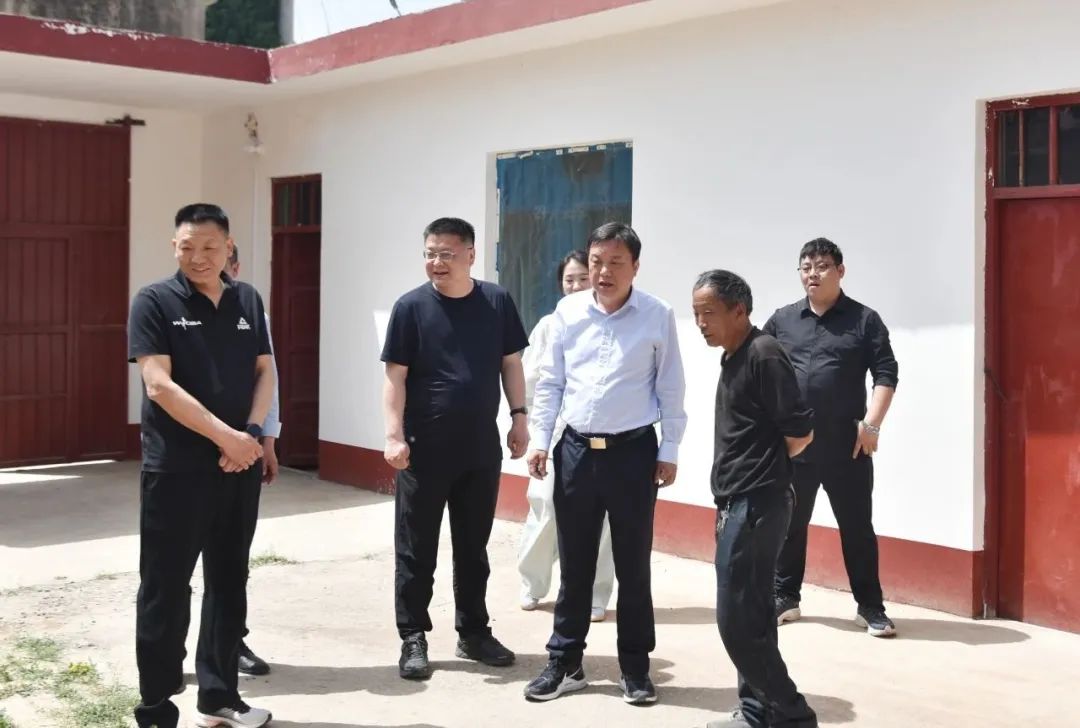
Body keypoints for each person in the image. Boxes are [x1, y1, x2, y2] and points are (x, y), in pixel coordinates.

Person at [523, 222, 686, 705]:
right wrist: (540, 440)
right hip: (575, 451)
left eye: (616, 262)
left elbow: (671, 387)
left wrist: (669, 450)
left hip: (634, 455)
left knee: (633, 566)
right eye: (596, 262)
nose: (604, 272)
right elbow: (551, 383)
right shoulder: (568, 312)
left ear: (635, 266)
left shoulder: (657, 315)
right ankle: (565, 662)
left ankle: (634, 668)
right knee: (575, 564)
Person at [128, 203, 274, 728]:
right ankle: (156, 705)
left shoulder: (247, 299)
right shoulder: (153, 301)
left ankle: (219, 698)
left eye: (209, 247)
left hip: (238, 467)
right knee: (166, 587)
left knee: (229, 581)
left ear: (228, 247)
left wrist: (251, 435)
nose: (198, 257)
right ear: (174, 247)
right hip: (176, 471)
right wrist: (227, 437)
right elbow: (158, 384)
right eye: (187, 247)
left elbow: (265, 370)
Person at [382, 216, 530, 681]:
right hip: (422, 450)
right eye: (430, 253)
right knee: (416, 549)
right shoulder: (410, 308)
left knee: (473, 548)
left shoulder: (496, 302)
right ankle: (413, 636)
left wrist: (519, 416)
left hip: (479, 448)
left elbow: (511, 363)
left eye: (446, 254)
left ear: (470, 254)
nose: (437, 262)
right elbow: (395, 377)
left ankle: (474, 632)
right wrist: (392, 435)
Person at [692, 269, 818, 728]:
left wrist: (764, 470)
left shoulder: (764, 353)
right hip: (736, 503)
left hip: (756, 504)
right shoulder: (734, 355)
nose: (701, 323)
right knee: (755, 616)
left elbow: (800, 432)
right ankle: (756, 712)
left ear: (739, 311)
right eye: (696, 314)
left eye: (709, 313)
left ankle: (792, 715)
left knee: (736, 622)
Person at [764, 238, 899, 637]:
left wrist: (871, 425)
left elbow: (886, 372)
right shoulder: (783, 320)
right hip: (795, 446)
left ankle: (870, 607)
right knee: (790, 525)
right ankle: (785, 597)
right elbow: (758, 367)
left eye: (821, 266)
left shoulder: (864, 320)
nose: (813, 274)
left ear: (840, 271)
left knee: (857, 528)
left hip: (848, 447)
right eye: (806, 267)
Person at [517, 250, 615, 622]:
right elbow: (529, 383)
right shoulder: (549, 325)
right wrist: (535, 432)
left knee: (602, 519)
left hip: (606, 437)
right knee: (545, 507)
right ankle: (533, 582)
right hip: (556, 434)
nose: (575, 286)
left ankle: (595, 594)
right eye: (568, 280)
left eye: (582, 278)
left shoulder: (615, 323)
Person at [224, 243, 280, 675]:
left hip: (246, 449)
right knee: (174, 566)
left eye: (220, 259)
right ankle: (171, 653)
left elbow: (268, 376)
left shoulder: (250, 309)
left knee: (233, 555)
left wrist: (267, 441)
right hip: (188, 455)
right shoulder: (168, 308)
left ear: (236, 266)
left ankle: (231, 642)